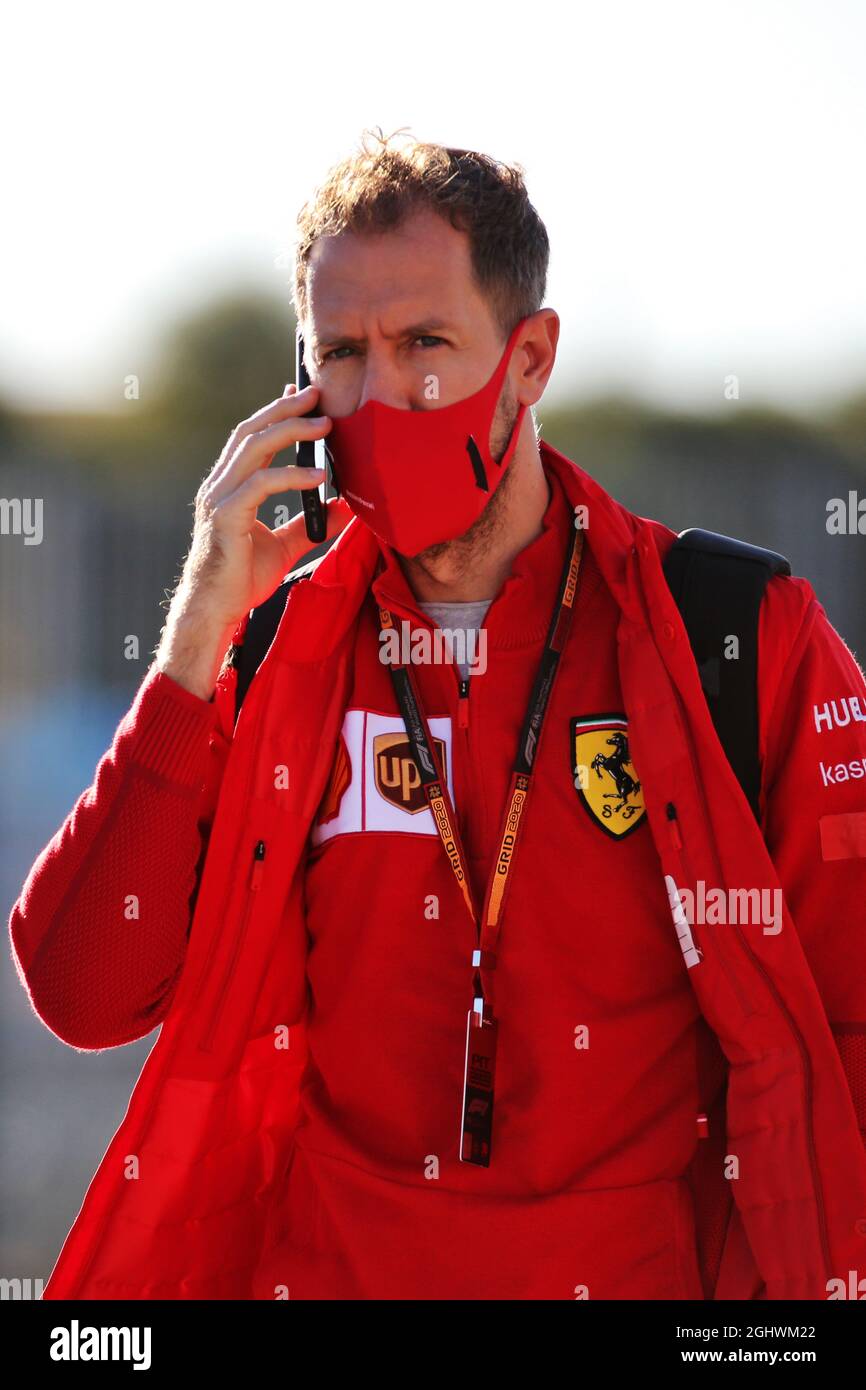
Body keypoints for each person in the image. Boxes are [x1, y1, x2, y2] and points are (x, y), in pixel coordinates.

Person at [10, 129, 866, 1302]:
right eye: (342, 353)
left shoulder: (732, 632)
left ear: (527, 361)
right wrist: (200, 620)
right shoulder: (262, 650)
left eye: (424, 344)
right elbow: (82, 990)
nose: (379, 393)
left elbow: (848, 1027)